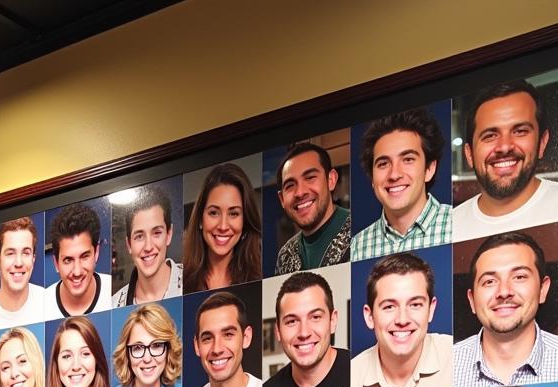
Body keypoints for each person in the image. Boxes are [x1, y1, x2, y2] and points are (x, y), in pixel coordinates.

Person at [454, 79, 558, 242]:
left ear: (542, 143)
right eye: (490, 136)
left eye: (520, 131)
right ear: (469, 154)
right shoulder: (450, 228)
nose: (505, 146)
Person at [454, 231, 558, 387]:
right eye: (489, 281)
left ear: (542, 289)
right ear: (472, 300)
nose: (503, 291)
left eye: (519, 277)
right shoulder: (445, 367)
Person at [350, 107, 453, 262]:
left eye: (408, 159)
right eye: (383, 163)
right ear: (372, 178)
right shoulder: (356, 246)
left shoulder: (457, 224)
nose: (394, 174)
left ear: (429, 169)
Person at [349, 253, 452, 387]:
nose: (402, 320)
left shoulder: (455, 356)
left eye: (415, 305)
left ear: (431, 310)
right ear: (369, 316)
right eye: (389, 306)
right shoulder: (350, 377)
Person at [263, 271, 349, 387]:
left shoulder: (359, 373)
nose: (304, 333)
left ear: (332, 321)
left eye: (315, 317)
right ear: (278, 331)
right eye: (292, 321)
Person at [183, 163, 262, 292]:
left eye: (233, 213)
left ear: (245, 221)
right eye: (214, 213)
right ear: (200, 219)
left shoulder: (259, 279)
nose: (223, 226)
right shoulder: (180, 282)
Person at [182, 291, 263, 387]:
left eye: (228, 334)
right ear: (197, 346)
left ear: (246, 337)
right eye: (207, 338)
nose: (217, 349)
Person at [274, 142, 351, 274]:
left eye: (310, 178)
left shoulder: (360, 232)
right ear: (282, 199)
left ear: (331, 180)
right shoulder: (285, 255)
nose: (300, 192)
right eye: (290, 185)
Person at [110, 303, 182, 387]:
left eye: (156, 345)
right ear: (126, 354)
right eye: (138, 347)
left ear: (168, 350)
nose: (147, 358)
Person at [112, 186, 183, 306]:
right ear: (129, 244)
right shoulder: (113, 304)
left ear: (169, 234)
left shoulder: (194, 279)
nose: (148, 247)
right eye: (139, 236)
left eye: (156, 233)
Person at [45, 316, 112, 387]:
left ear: (97, 359)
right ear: (56, 364)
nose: (76, 366)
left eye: (85, 354)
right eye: (67, 356)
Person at [46, 203, 112, 317]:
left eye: (84, 256)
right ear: (56, 263)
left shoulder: (113, 293)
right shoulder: (42, 305)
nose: (77, 272)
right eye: (68, 260)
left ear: (96, 253)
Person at [0, 218, 46, 330]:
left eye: (26, 253)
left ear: (33, 259)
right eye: (10, 253)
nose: (18, 263)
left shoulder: (48, 302)